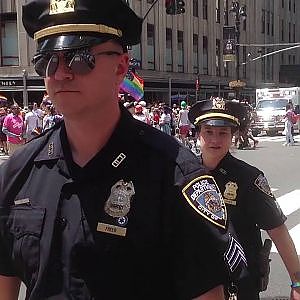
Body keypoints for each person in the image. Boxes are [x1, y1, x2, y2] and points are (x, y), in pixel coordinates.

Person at [0, 1, 247, 299]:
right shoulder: (18, 171)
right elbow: (6, 278)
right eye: (47, 61)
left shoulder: (175, 175)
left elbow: (206, 293)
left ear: (120, 67)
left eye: (79, 58)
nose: (61, 73)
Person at [188, 98, 300, 300]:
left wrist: (297, 282)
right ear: (198, 134)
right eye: (209, 132)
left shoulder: (249, 178)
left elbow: (277, 230)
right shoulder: (185, 174)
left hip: (238, 287)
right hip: (195, 283)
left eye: (223, 133)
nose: (215, 139)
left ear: (233, 136)